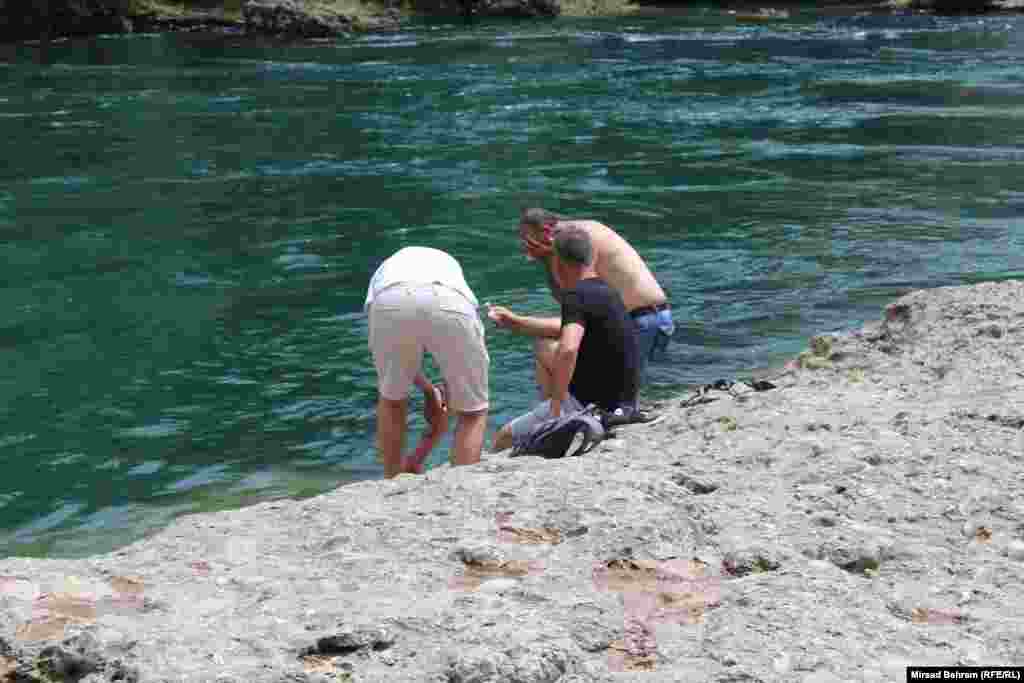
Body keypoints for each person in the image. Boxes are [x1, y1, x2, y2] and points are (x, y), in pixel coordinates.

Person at [487, 208, 674, 394]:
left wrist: (517, 322)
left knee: (605, 389)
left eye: (527, 239)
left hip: (646, 320)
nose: (525, 246)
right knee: (546, 346)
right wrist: (547, 258)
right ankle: (555, 414)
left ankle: (560, 409)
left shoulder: (583, 239)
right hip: (632, 322)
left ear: (546, 231)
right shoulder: (565, 247)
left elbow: (579, 306)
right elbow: (573, 309)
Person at [491, 227, 640, 452]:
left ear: (559, 262)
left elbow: (568, 349)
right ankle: (551, 409)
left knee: (503, 437)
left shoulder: (575, 295)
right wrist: (516, 322)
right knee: (545, 345)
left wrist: (557, 404)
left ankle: (552, 415)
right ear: (592, 256)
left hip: (590, 403)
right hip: (624, 401)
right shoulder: (608, 291)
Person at [365, 246, 489, 477]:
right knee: (472, 412)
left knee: (392, 400)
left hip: (389, 298)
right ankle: (463, 487)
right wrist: (434, 390)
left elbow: (396, 362)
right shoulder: (449, 267)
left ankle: (391, 481)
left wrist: (428, 390)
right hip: (448, 298)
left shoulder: (385, 271)